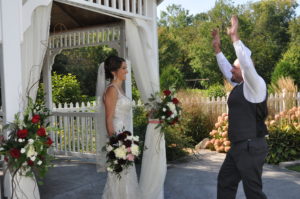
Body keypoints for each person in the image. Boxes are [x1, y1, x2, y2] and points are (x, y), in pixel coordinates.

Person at [212, 16, 269, 199]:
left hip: (251, 147)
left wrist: (235, 37)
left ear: (244, 71)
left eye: (235, 69)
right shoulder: (239, 86)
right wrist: (217, 50)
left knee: (253, 192)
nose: (231, 71)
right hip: (238, 147)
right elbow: (226, 67)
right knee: (225, 182)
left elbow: (244, 63)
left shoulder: (256, 85)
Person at [101, 56, 141, 199]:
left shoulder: (120, 88)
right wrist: (115, 144)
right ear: (114, 72)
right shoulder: (112, 90)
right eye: (123, 68)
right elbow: (108, 118)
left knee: (127, 174)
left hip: (126, 135)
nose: (126, 71)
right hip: (118, 137)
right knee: (119, 174)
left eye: (126, 68)